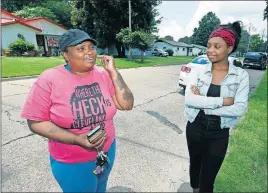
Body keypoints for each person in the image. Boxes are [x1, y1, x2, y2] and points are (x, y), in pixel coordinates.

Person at [21, 29, 134, 192]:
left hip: (107, 151)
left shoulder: (103, 74)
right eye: (81, 48)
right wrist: (77, 139)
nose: (89, 52)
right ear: (66, 55)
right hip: (72, 160)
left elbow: (126, 104)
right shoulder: (49, 79)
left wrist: (113, 72)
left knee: (100, 188)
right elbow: (35, 122)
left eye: (91, 47)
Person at [184, 21, 249, 193]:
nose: (210, 50)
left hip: (219, 132)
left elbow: (240, 108)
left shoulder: (240, 76)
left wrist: (203, 103)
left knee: (209, 178)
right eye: (209, 46)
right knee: (195, 165)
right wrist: (223, 101)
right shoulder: (197, 71)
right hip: (195, 126)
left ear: (229, 48)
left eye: (217, 46)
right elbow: (189, 99)